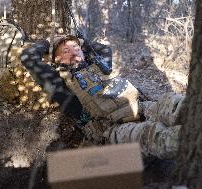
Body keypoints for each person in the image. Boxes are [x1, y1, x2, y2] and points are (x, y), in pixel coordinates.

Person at [20, 35, 185, 159]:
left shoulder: (100, 66)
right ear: (57, 59)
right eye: (66, 51)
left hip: (141, 108)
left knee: (174, 104)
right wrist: (48, 43)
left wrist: (82, 42)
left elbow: (104, 49)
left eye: (76, 47)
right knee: (157, 136)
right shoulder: (61, 85)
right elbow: (28, 57)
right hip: (113, 129)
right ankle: (200, 141)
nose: (73, 51)